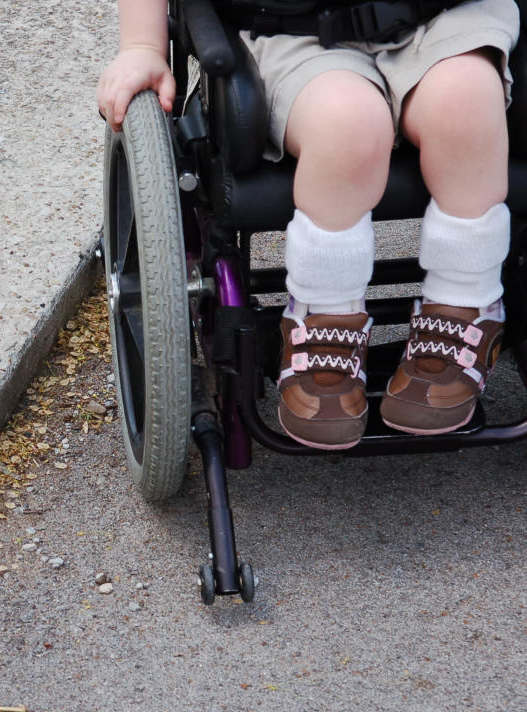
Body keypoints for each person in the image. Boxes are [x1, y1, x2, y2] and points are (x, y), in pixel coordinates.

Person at [96, 0, 520, 448]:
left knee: (465, 106)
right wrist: (143, 43)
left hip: (444, 19)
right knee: (348, 126)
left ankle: (466, 301)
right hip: (297, 35)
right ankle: (327, 313)